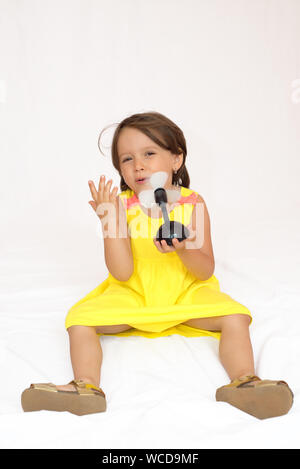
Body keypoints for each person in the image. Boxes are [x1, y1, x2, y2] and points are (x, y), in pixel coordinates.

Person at [21, 111, 293, 419]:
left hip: (186, 293)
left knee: (236, 316)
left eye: (149, 153)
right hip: (135, 293)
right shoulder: (120, 206)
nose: (137, 165)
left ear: (176, 159)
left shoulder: (193, 203)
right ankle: (86, 387)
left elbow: (204, 271)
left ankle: (245, 382)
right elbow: (121, 272)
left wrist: (184, 248)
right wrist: (109, 220)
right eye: (126, 159)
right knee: (79, 319)